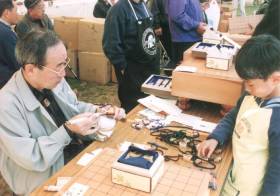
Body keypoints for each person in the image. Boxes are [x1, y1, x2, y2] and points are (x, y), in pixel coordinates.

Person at [0, 30, 125, 195]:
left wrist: (100, 110)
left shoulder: (54, 78)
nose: (64, 73)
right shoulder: (7, 104)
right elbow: (31, 157)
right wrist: (67, 131)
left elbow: (73, 106)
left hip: (72, 151)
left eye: (65, 63)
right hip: (42, 175)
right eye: (58, 66)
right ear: (30, 69)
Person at [197, 34, 280, 195]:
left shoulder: (276, 119)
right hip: (230, 175)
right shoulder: (253, 94)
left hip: (250, 190)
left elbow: (277, 173)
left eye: (250, 83)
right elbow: (234, 116)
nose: (246, 88)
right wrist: (216, 137)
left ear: (275, 79)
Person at [103, 0, 160, 112]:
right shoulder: (118, 10)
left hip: (150, 68)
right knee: (133, 108)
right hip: (132, 71)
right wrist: (122, 66)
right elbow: (110, 44)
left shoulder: (143, 5)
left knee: (150, 107)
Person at [165, 0, 206, 68]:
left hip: (193, 39)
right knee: (185, 73)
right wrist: (196, 25)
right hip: (184, 41)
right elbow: (177, 15)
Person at [0, 0, 20, 88]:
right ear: (7, 13)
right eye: (16, 11)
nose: (18, 14)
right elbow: (17, 62)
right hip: (7, 82)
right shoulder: (6, 33)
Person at [151, 0, 173, 66]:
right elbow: (154, 12)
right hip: (164, 28)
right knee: (166, 50)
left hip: (173, 27)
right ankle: (167, 69)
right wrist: (157, 26)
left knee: (173, 50)